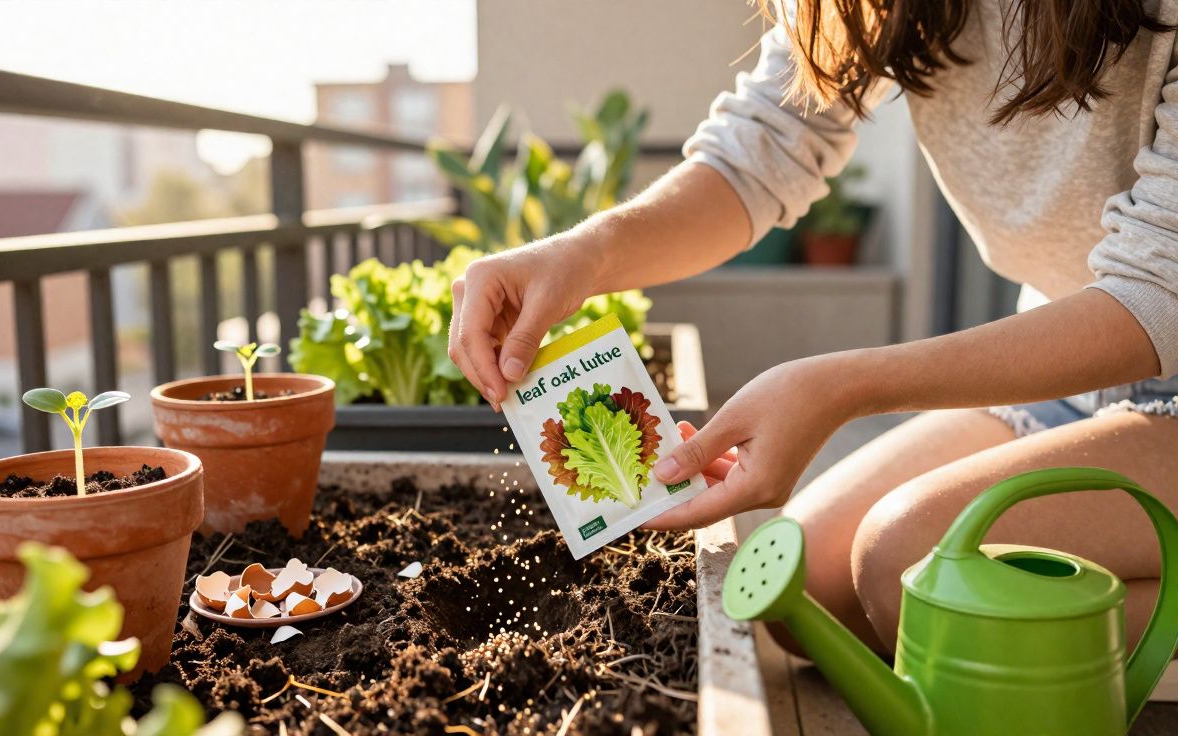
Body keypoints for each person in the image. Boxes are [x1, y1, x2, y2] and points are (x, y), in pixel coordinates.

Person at [447, 0, 1178, 656]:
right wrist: (582, 253)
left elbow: (1156, 293)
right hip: (1074, 378)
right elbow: (756, 154)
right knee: (802, 595)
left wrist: (844, 386)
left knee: (908, 572)